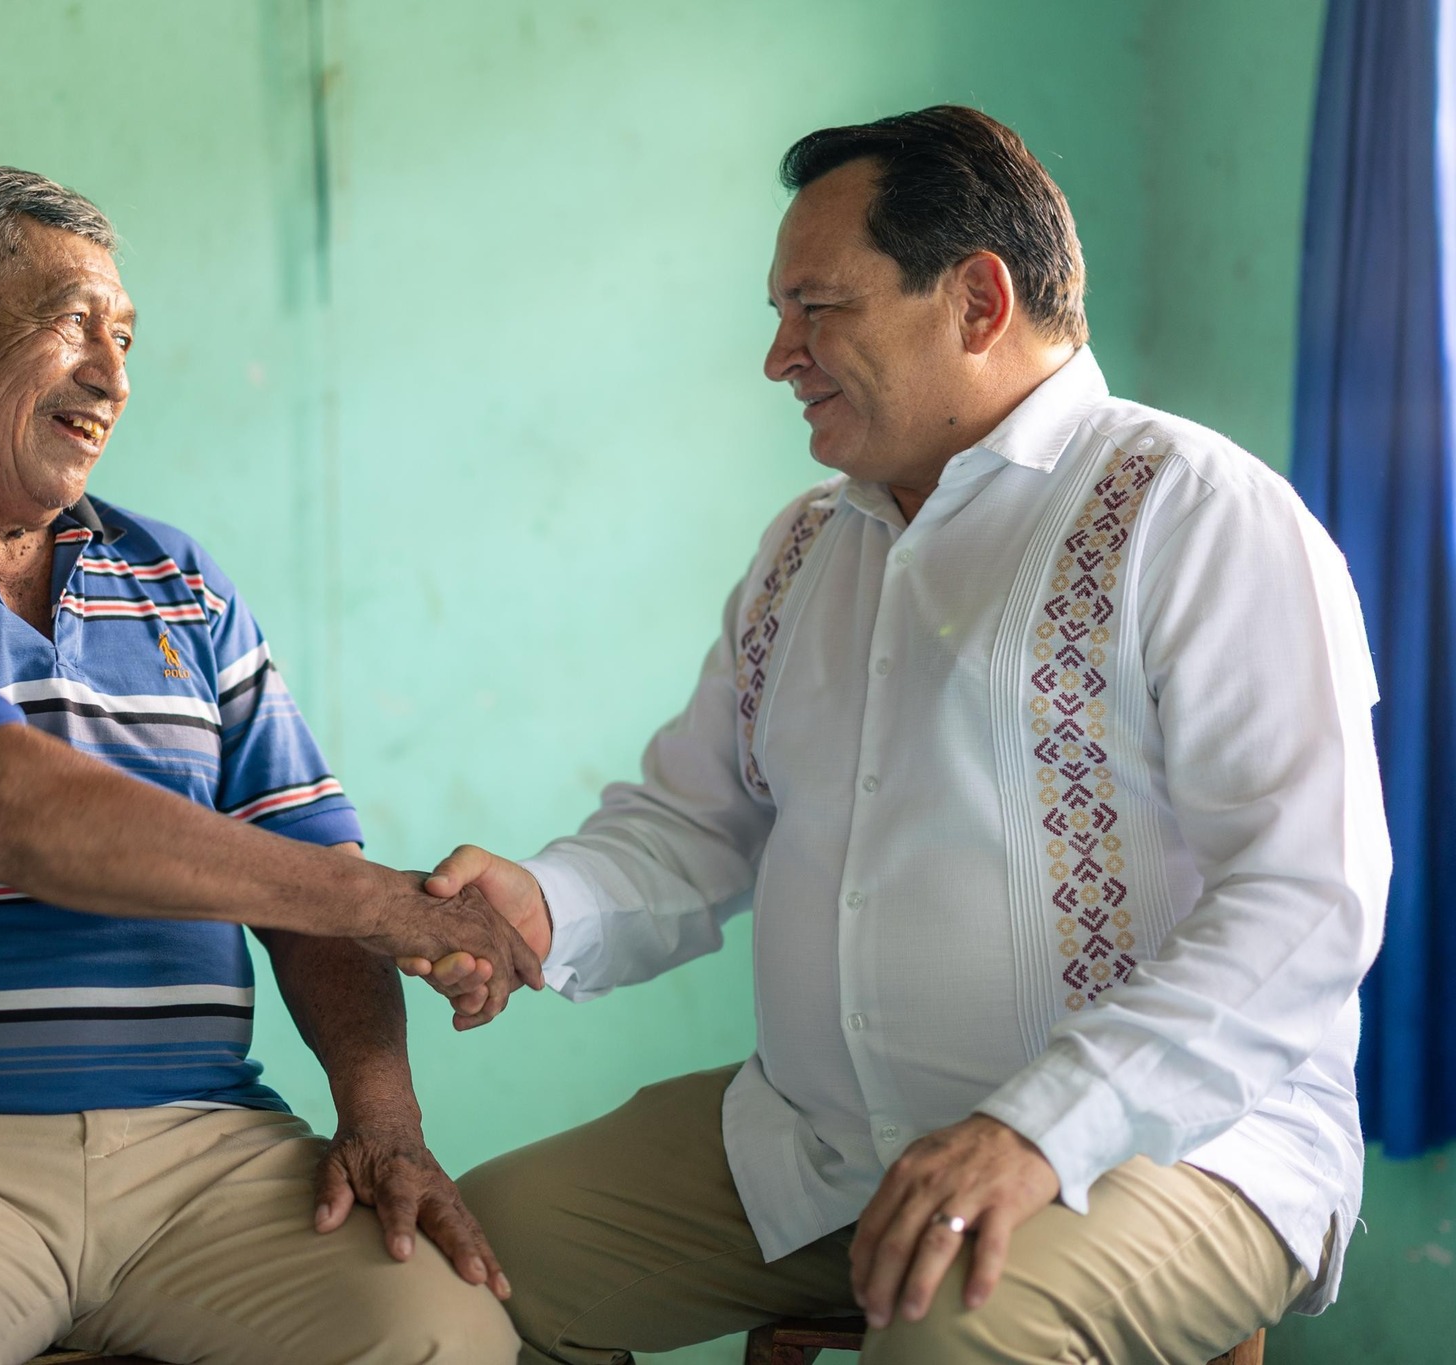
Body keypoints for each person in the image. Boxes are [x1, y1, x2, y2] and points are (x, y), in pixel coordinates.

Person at [424, 106, 1389, 1364]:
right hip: (825, 1147)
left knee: (951, 1334)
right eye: (779, 314)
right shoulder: (805, 546)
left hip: (1161, 1150)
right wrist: (544, 905)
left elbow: (1306, 898)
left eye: (817, 308)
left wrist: (1040, 1127)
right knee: (467, 1259)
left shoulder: (1193, 515)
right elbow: (696, 824)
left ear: (976, 301)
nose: (779, 357)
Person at [0, 165, 531, 1365]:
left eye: (124, 340)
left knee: (441, 1337)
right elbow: (12, 813)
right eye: (73, 324)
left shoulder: (178, 580)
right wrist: (379, 901)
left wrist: (381, 1118)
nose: (113, 378)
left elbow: (305, 877)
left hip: (200, 1155)